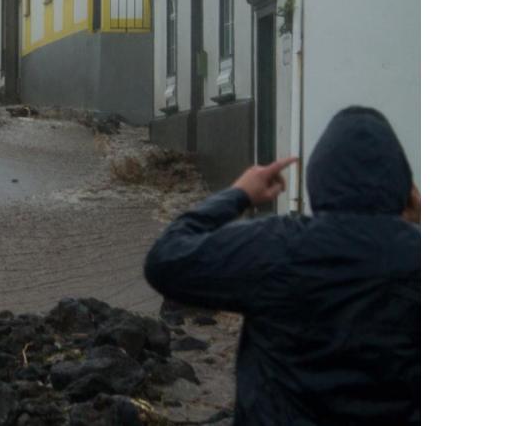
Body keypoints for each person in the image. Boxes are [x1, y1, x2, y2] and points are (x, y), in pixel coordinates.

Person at [144, 106, 420, 424]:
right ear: (402, 184)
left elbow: (165, 259)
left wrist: (238, 194)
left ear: (319, 176)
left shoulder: (277, 245)